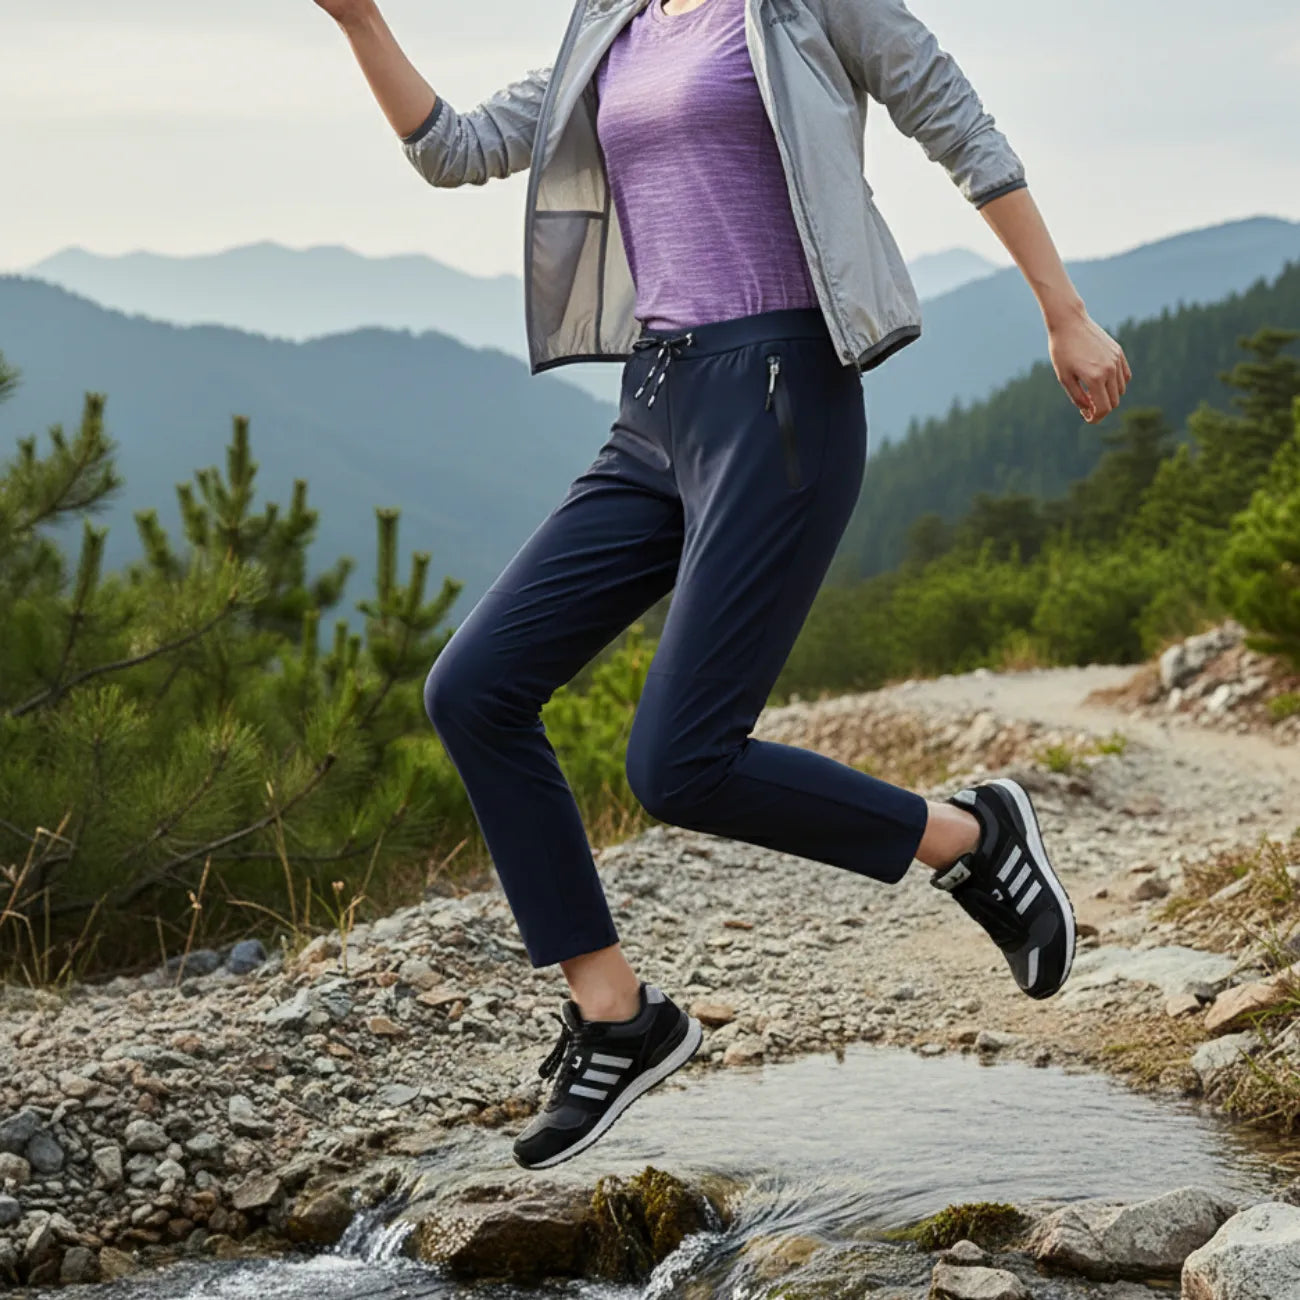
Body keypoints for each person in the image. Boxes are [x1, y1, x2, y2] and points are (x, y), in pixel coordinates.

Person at [312, 0, 1131, 1171]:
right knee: (475, 689)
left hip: (782, 394)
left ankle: (967, 837)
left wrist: (1063, 309)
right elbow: (452, 149)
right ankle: (617, 1015)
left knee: (678, 764)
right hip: (654, 408)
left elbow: (954, 118)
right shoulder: (610, 26)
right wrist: (359, 22)